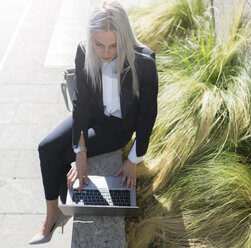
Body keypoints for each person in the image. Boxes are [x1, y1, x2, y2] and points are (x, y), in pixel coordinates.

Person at [29, 1, 158, 244]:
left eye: (113, 45)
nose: (106, 52)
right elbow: (81, 103)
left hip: (117, 127)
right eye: (99, 44)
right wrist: (81, 152)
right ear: (90, 38)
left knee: (65, 153)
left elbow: (147, 115)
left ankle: (64, 206)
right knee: (46, 148)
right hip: (92, 115)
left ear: (125, 38)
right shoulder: (84, 51)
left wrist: (133, 159)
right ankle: (51, 213)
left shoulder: (145, 64)